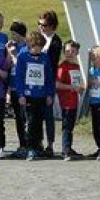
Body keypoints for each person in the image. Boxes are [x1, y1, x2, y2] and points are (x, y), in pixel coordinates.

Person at [15, 30, 55, 161]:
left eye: (40, 47)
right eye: (35, 47)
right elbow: (19, 77)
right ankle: (30, 148)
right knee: (30, 122)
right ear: (30, 46)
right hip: (27, 95)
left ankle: (38, 146)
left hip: (41, 95)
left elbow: (49, 77)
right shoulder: (22, 57)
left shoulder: (44, 57)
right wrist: (20, 94)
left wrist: (50, 94)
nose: (38, 50)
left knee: (38, 122)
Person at [55, 40, 86, 161]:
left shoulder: (78, 66)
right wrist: (72, 87)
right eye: (67, 51)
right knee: (67, 126)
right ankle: (65, 150)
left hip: (75, 101)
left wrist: (81, 88)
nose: (70, 53)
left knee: (71, 125)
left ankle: (69, 147)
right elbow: (57, 84)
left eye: (73, 51)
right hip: (66, 101)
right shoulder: (63, 66)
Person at [38, 11, 62, 158]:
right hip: (35, 81)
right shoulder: (38, 38)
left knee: (48, 114)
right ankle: (38, 142)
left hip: (48, 81)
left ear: (52, 26)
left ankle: (50, 144)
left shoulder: (55, 41)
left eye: (44, 25)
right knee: (37, 114)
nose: (41, 28)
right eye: (39, 24)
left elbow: (52, 62)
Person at [6, 21, 29, 158]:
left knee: (26, 117)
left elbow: (24, 67)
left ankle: (29, 144)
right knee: (18, 119)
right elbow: (8, 66)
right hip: (13, 86)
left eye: (14, 34)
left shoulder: (26, 48)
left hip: (24, 88)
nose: (12, 36)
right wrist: (9, 54)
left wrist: (15, 55)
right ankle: (22, 144)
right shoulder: (12, 47)